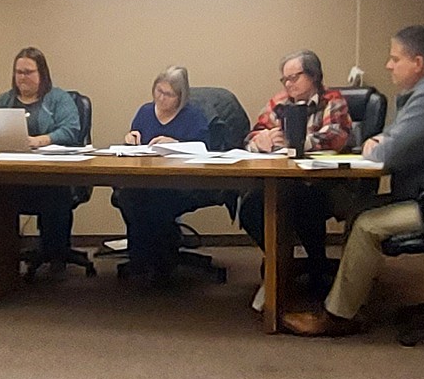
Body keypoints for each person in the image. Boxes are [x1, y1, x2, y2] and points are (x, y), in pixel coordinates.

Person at [281, 25, 424, 336]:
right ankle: (353, 299)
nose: (388, 65)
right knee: (361, 209)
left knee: (368, 224)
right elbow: (391, 139)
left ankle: (337, 317)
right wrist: (380, 142)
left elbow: (386, 154)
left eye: (394, 58)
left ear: (417, 62)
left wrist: (377, 145)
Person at [238, 50, 353, 306]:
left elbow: (335, 136)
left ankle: (316, 266)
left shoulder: (332, 100)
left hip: (321, 183)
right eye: (285, 79)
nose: (289, 84)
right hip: (281, 181)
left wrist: (293, 142)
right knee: (250, 207)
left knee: (304, 202)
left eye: (294, 77)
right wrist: (263, 141)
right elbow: (250, 137)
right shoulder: (278, 102)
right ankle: (278, 261)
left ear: (313, 76)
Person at [111, 66, 214, 283]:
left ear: (181, 97)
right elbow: (135, 145)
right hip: (144, 180)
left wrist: (177, 144)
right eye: (158, 91)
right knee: (128, 197)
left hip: (181, 184)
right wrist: (130, 139)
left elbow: (205, 149)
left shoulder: (193, 116)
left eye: (169, 94)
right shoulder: (145, 112)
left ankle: (161, 262)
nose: (161, 98)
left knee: (157, 201)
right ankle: (140, 259)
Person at [0, 47, 82, 275]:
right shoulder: (6, 100)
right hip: (13, 178)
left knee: (55, 195)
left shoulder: (59, 99)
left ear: (42, 74)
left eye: (28, 72)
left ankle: (55, 253)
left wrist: (41, 140)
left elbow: (71, 131)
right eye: (18, 72)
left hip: (51, 178)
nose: (22, 77)